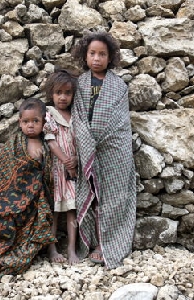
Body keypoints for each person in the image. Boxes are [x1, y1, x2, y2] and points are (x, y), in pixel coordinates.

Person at [71, 31, 136, 269]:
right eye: (92, 53)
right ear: (85, 56)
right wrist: (88, 140)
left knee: (113, 199)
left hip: (113, 151)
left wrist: (101, 137)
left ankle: (106, 245)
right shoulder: (78, 84)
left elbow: (120, 122)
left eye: (102, 54)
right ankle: (91, 242)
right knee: (94, 198)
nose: (97, 58)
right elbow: (76, 116)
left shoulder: (119, 87)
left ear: (110, 58)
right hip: (87, 149)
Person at [0, 98, 57, 284]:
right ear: (19, 122)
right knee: (1, 216)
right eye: (26, 122)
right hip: (11, 197)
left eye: (35, 121)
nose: (31, 126)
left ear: (43, 122)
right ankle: (0, 254)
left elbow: (47, 175)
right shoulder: (12, 146)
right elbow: (2, 174)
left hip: (35, 201)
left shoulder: (47, 145)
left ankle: (17, 257)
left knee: (37, 221)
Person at [42, 69, 80, 265]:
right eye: (58, 93)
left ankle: (72, 249)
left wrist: (75, 159)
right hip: (57, 170)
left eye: (67, 93)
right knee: (55, 211)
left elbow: (80, 141)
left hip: (72, 171)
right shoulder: (49, 114)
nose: (63, 97)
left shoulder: (75, 115)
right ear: (52, 94)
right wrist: (67, 161)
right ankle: (52, 248)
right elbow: (51, 142)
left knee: (72, 210)